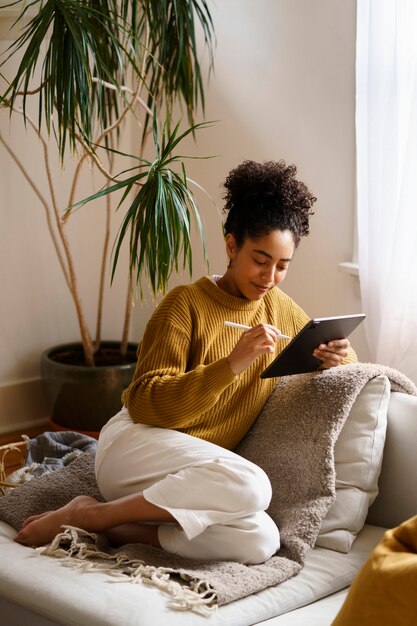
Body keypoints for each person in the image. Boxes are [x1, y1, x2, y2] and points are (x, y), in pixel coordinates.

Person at [15, 160, 357, 563]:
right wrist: (231, 363)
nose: (270, 277)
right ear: (231, 246)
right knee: (253, 485)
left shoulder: (278, 309)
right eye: (260, 260)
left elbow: (335, 355)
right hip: (135, 447)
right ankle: (95, 511)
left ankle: (106, 523)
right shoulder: (184, 304)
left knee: (260, 539)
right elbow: (144, 401)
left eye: (282, 266)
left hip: (192, 479)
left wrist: (338, 356)